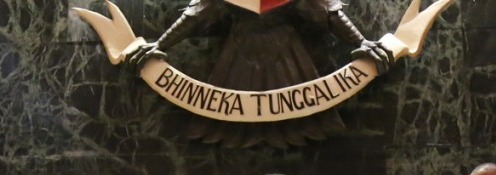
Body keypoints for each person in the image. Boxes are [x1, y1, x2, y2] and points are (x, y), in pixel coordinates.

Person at [127, 0, 392, 148]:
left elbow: (328, 12)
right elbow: (197, 14)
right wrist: (160, 45)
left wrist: (360, 42)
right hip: (239, 52)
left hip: (286, 52)